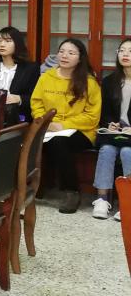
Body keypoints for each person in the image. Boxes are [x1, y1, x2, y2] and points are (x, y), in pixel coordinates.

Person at [31, 38, 101, 214]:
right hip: (48, 127)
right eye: (61, 51)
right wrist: (46, 121)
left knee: (59, 143)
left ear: (80, 58)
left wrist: (63, 125)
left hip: (82, 130)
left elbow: (92, 116)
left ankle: (72, 191)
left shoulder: (89, 82)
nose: (64, 56)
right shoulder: (46, 77)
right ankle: (35, 185)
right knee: (31, 140)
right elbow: (36, 103)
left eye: (71, 53)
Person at [92, 38, 131, 220]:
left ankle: (128, 203)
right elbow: (105, 113)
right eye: (122, 50)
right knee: (106, 149)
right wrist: (111, 124)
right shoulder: (110, 81)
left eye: (130, 51)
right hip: (115, 134)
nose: (125, 54)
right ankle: (102, 199)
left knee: (127, 152)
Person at [0, 26, 39, 125]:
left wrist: (19, 98)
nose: (2, 44)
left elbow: (36, 97)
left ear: (17, 44)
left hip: (19, 117)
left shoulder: (30, 68)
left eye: (8, 41)